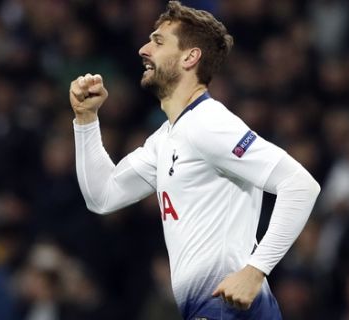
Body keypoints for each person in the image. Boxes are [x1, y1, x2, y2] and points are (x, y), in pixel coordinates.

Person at [69, 1, 320, 319]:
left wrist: (256, 270)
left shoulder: (208, 123)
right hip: (208, 307)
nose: (143, 49)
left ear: (190, 57)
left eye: (158, 41)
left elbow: (300, 185)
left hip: (229, 307)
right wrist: (87, 119)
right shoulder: (166, 137)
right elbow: (102, 196)